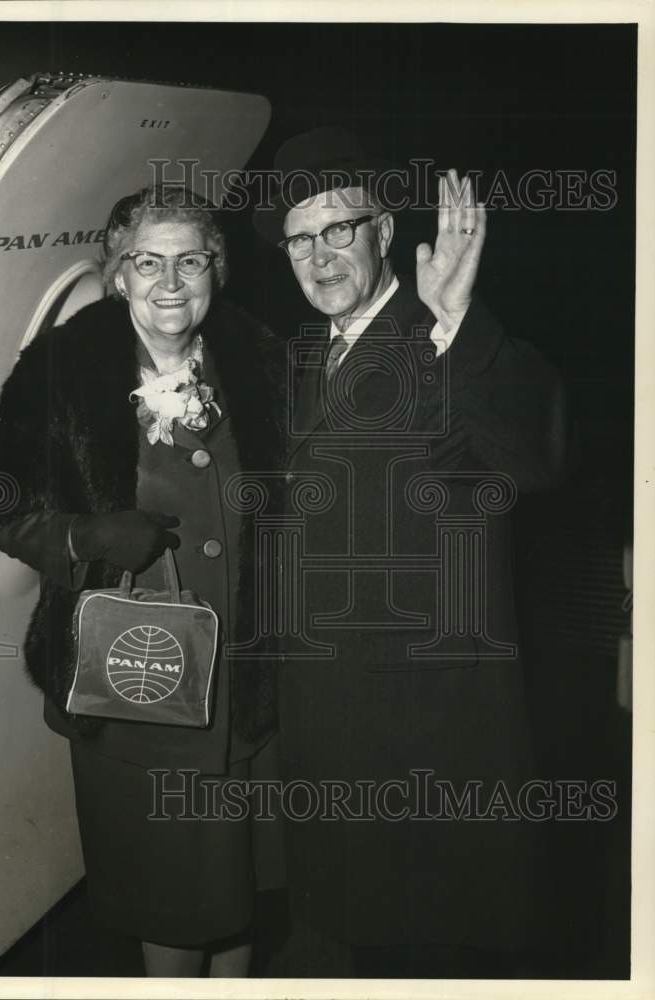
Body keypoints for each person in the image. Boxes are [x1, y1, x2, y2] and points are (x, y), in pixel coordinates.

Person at [253, 127, 569, 978]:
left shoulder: (446, 336)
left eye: (339, 230)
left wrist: (457, 318)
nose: (319, 257)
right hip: (325, 711)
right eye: (299, 238)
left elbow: (530, 454)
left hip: (427, 722)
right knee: (349, 930)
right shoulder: (297, 359)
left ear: (385, 232)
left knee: (425, 945)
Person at [0, 185, 284, 976]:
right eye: (148, 261)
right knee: (170, 906)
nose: (170, 282)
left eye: (190, 260)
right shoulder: (64, 365)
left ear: (218, 269)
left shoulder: (259, 357)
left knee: (242, 894)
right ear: (115, 272)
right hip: (133, 690)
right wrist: (82, 535)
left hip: (254, 682)